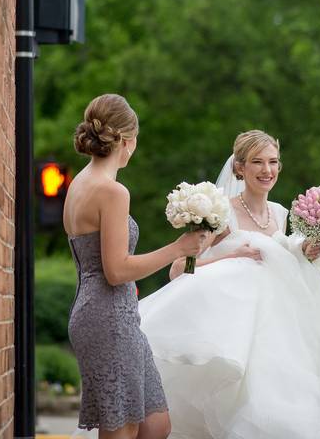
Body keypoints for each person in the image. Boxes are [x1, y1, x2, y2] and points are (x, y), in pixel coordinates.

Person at [137, 130, 320, 439]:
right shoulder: (221, 213)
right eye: (257, 162)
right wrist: (231, 257)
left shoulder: (282, 214)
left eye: (272, 162)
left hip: (276, 337)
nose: (266, 170)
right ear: (239, 168)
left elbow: (283, 267)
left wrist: (305, 254)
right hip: (233, 334)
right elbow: (179, 268)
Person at [64, 94, 204, 439]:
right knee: (122, 430)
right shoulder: (111, 191)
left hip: (113, 314)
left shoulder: (79, 182)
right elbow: (116, 270)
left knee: (156, 424)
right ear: (127, 140)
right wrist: (178, 247)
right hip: (107, 316)